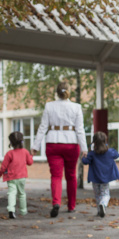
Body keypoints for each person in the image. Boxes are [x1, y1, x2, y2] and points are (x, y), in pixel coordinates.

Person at [31, 82, 88, 218]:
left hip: (53, 143)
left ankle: (56, 202)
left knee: (56, 176)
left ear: (57, 93)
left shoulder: (49, 106)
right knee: (71, 175)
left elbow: (43, 127)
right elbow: (80, 130)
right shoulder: (76, 107)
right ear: (68, 92)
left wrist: (35, 147)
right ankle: (71, 206)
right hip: (71, 143)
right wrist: (84, 148)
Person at [82, 131, 119, 218]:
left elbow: (85, 161)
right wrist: (107, 146)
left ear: (94, 142)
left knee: (98, 194)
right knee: (105, 194)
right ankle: (103, 205)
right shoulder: (110, 152)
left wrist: (84, 155)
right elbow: (117, 155)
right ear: (105, 141)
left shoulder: (92, 154)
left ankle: (99, 210)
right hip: (105, 178)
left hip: (95, 178)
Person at [0, 132, 33, 219]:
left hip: (11, 177)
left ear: (11, 143)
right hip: (22, 177)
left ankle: (11, 210)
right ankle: (23, 211)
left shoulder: (9, 154)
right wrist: (31, 155)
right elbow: (30, 163)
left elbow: (3, 167)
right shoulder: (25, 152)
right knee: (21, 194)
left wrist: (0, 173)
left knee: (11, 193)